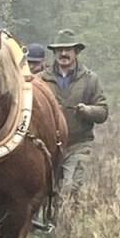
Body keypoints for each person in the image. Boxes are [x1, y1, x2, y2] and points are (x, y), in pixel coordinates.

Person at [40, 28, 108, 192]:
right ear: (54, 53)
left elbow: (103, 111)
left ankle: (69, 209)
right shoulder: (40, 80)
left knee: (70, 189)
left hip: (78, 145)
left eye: (68, 50)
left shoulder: (90, 79)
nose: (63, 54)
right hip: (47, 147)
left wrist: (87, 111)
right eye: (59, 50)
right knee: (43, 191)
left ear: (76, 52)